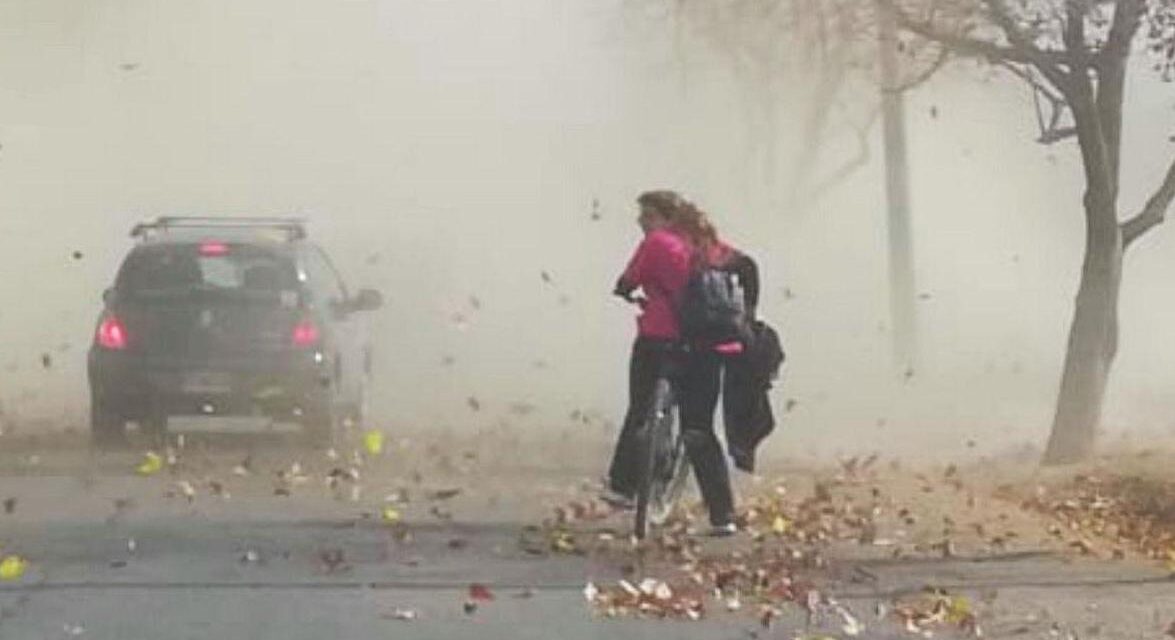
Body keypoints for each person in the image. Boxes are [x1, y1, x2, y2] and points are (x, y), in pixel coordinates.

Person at [604, 190, 693, 511]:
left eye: (648, 214)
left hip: (656, 336)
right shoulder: (695, 245)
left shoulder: (656, 244)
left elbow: (630, 278)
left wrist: (624, 288)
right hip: (693, 340)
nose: (641, 221)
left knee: (640, 408)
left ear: (666, 218)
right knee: (681, 408)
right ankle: (669, 469)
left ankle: (624, 485)